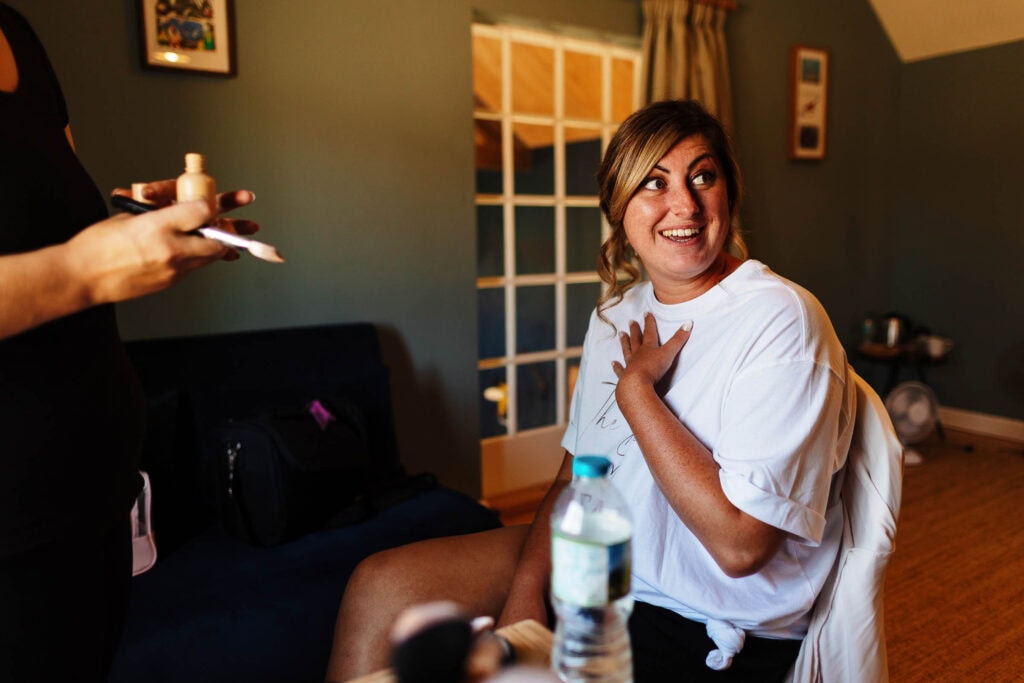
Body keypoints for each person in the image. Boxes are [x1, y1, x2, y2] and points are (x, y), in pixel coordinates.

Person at [325, 99, 854, 682]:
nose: (685, 204)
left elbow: (740, 547)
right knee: (379, 584)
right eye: (654, 183)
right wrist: (524, 598)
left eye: (703, 176)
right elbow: (577, 474)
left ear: (729, 191)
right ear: (618, 208)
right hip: (609, 570)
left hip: (703, 623)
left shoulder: (779, 319)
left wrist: (637, 395)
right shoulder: (616, 315)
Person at [0, 4, 259, 681]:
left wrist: (146, 220)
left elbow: (48, 216)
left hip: (90, 499)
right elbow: (69, 263)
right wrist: (83, 271)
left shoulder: (16, 32)